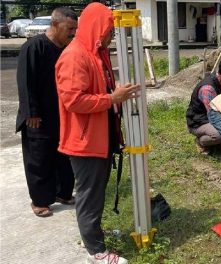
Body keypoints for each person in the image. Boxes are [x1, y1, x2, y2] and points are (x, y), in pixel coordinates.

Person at [55, 3, 139, 263]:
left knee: (96, 192)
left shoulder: (94, 53)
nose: (110, 35)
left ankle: (94, 234)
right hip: (84, 141)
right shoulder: (74, 56)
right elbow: (74, 100)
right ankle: (96, 251)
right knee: (89, 196)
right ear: (95, 26)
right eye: (108, 29)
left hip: (99, 138)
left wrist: (115, 99)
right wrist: (112, 98)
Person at [15, 7, 78, 218]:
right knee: (39, 159)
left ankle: (63, 193)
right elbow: (25, 82)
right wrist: (30, 112)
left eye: (75, 29)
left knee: (64, 156)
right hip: (38, 117)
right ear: (55, 24)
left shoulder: (66, 49)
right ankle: (40, 201)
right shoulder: (34, 47)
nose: (72, 33)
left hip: (62, 113)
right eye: (69, 28)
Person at [186, 55, 221, 155]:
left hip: (213, 118)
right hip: (199, 122)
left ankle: (219, 142)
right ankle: (201, 142)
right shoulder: (208, 89)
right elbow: (214, 116)